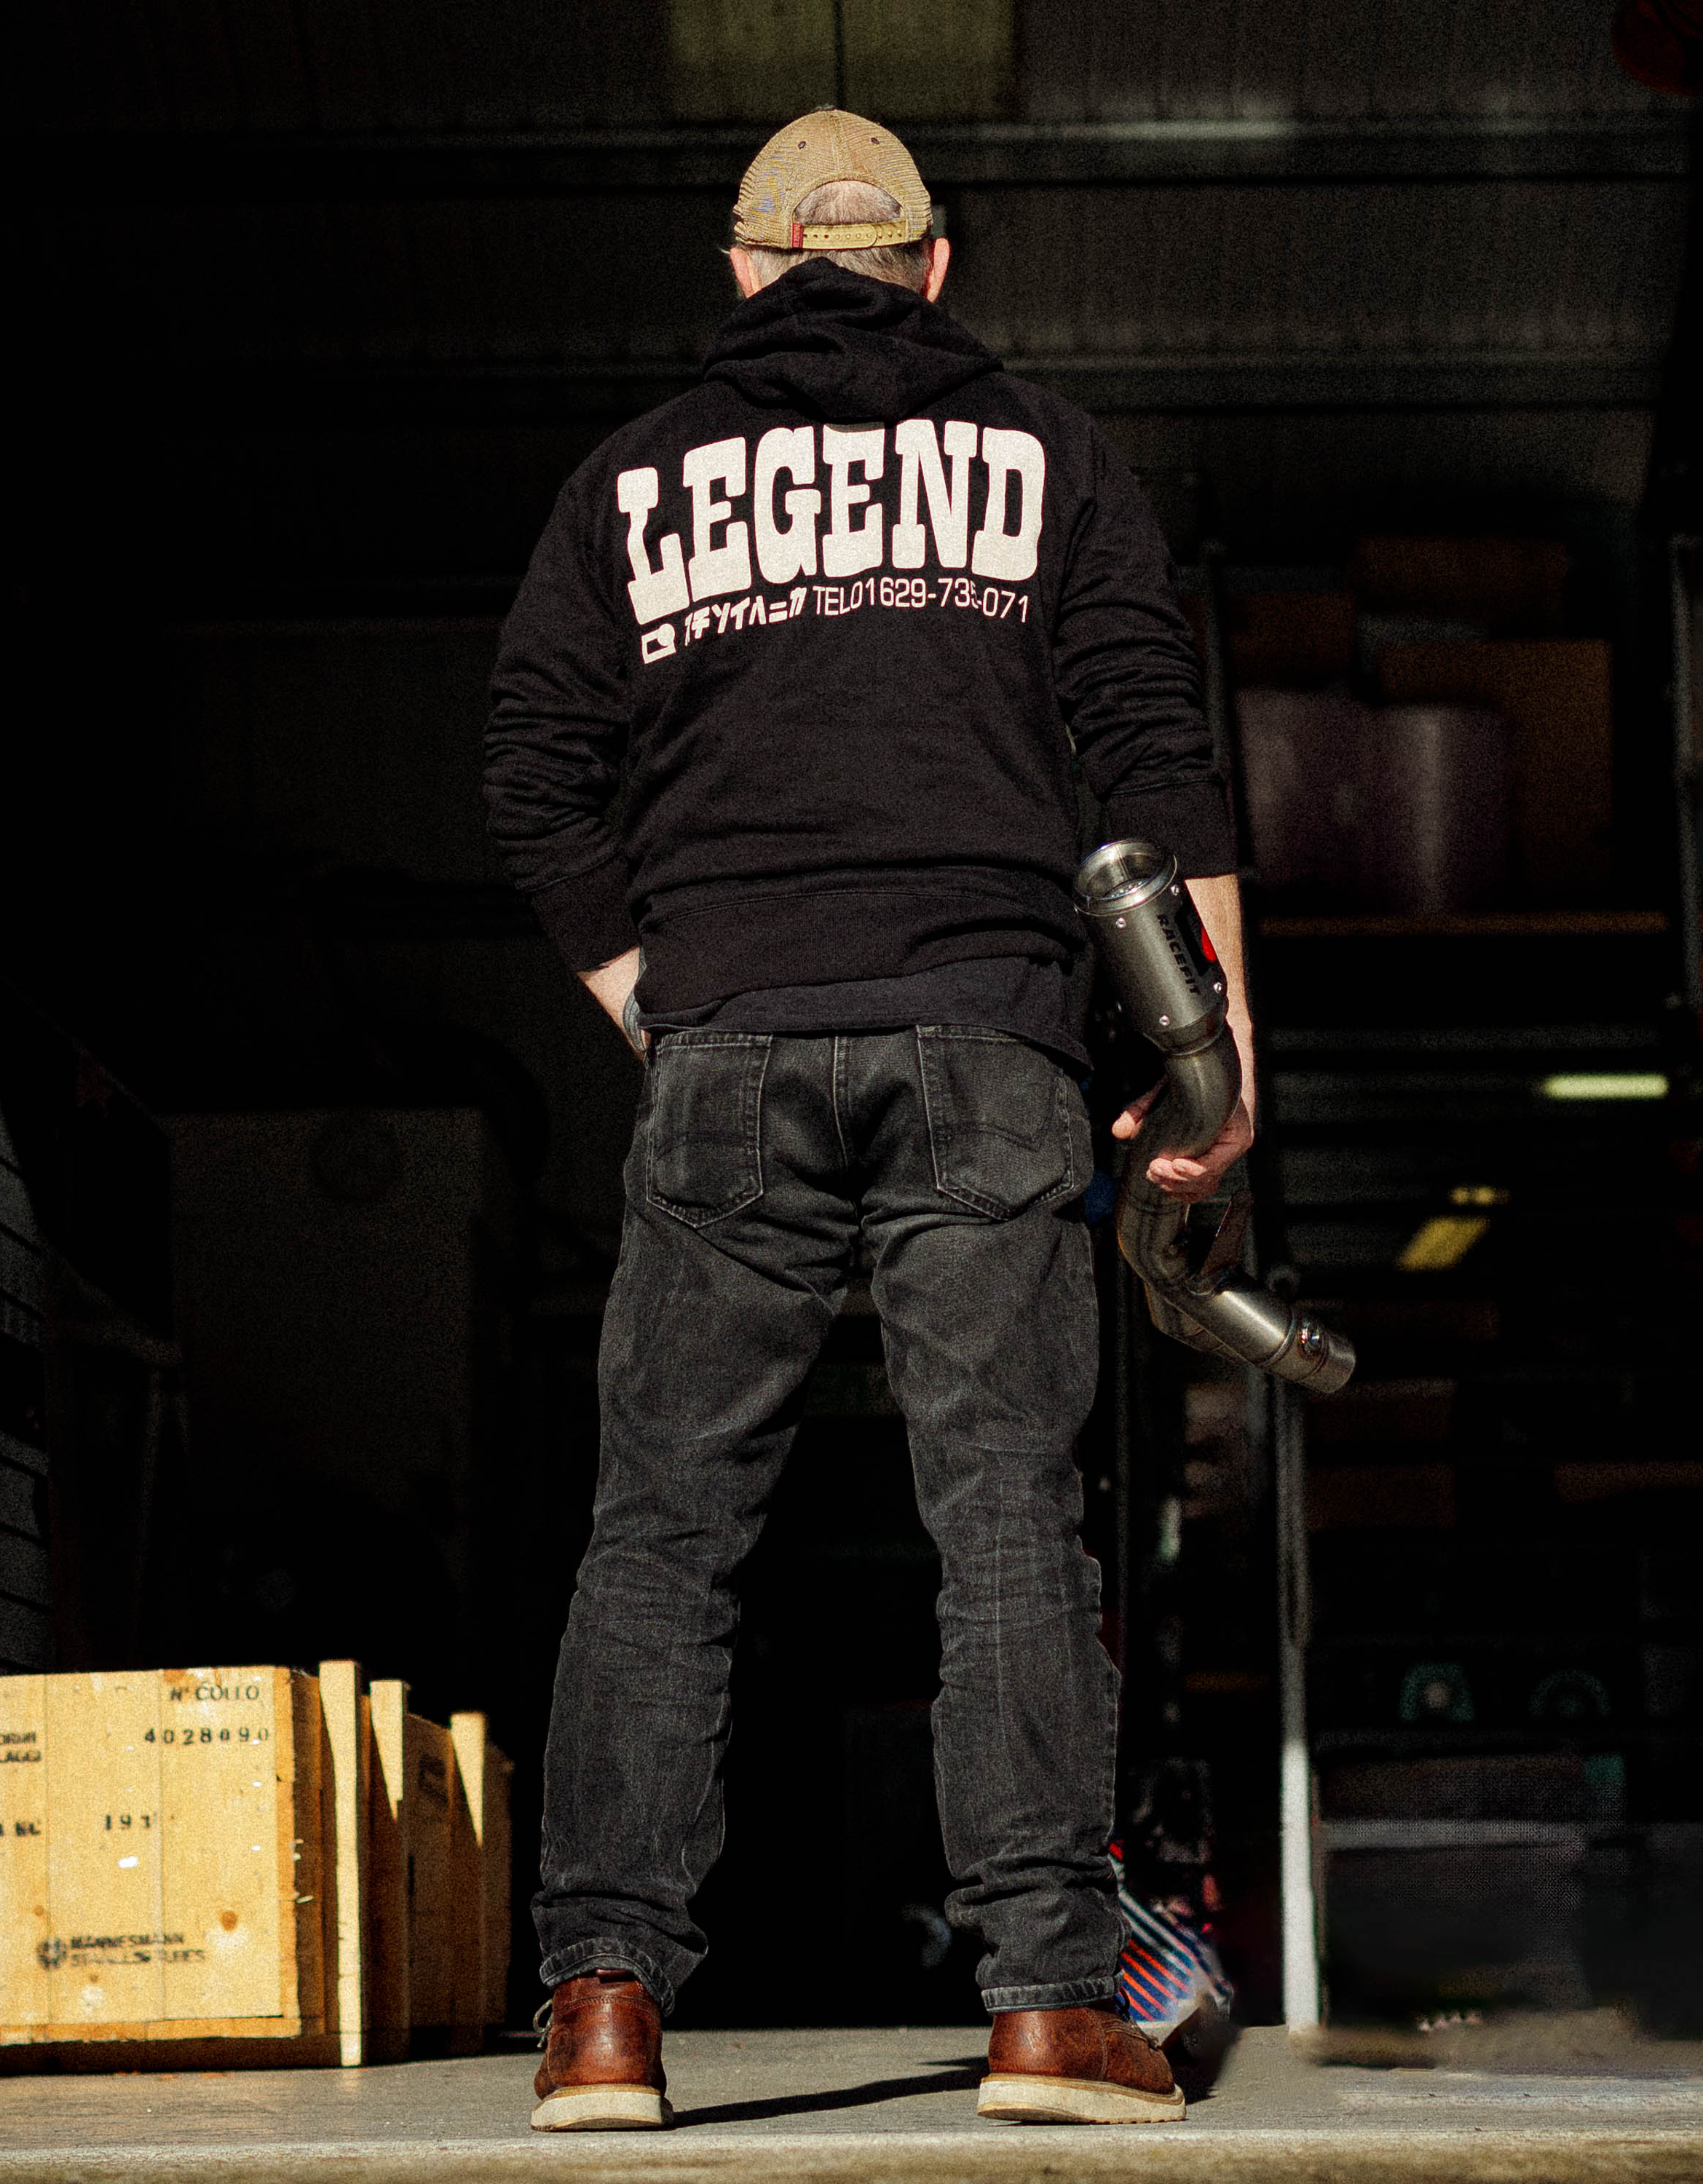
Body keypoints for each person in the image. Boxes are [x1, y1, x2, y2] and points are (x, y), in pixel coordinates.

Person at [483, 107, 1252, 2132]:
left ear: (743, 266)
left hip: (730, 1043)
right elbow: (1153, 757)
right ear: (934, 266)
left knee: (664, 1532)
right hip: (990, 1033)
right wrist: (1217, 1046)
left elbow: (533, 765)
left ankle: (602, 2013)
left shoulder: (633, 477)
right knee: (1002, 1521)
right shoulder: (1049, 456)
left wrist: (653, 997)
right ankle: (1047, 2010)